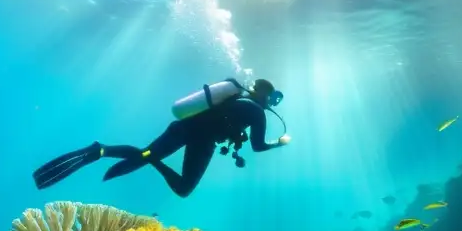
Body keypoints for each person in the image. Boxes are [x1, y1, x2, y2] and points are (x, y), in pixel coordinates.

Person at [32, 78, 291, 198]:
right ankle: (122, 154)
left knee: (147, 155)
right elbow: (257, 147)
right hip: (202, 141)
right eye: (272, 98)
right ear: (265, 96)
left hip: (183, 128)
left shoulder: (235, 97)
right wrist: (278, 144)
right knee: (183, 189)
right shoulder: (257, 113)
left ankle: (106, 151)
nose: (271, 103)